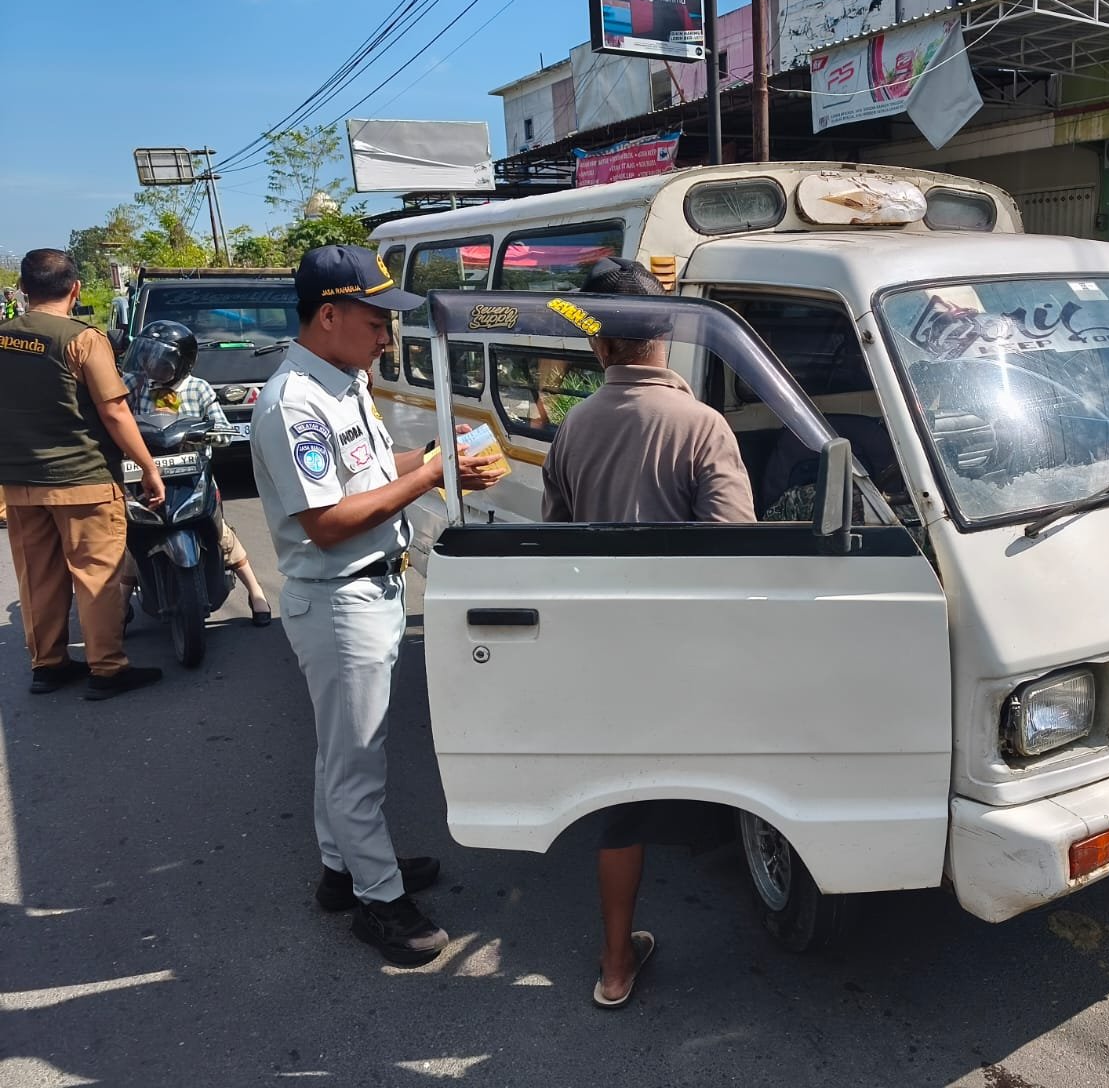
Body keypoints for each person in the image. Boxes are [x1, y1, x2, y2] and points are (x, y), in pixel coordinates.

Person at [250, 245, 505, 968]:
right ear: (328, 316)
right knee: (357, 759)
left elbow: (365, 468)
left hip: (371, 585)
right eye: (375, 323)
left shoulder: (341, 380)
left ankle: (345, 872)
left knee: (346, 749)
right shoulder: (295, 401)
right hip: (338, 596)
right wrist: (428, 479)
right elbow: (327, 519)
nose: (385, 339)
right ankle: (381, 902)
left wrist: (433, 458)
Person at [541, 257, 755, 1008]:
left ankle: (614, 964)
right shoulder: (703, 426)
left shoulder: (573, 428)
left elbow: (555, 544)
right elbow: (736, 546)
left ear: (599, 347)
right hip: (694, 652)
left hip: (609, 656)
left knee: (621, 809)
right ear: (666, 332)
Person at [0, 249, 166, 700]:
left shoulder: (3, 336)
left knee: (38, 577)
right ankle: (107, 669)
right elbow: (114, 412)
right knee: (96, 576)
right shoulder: (83, 339)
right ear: (74, 289)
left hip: (19, 484)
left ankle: (48, 665)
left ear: (22, 290)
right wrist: (148, 467)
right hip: (83, 478)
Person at [120, 320, 273, 625]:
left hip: (191, 475)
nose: (153, 364)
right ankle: (119, 608)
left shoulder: (198, 388)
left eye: (161, 358)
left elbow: (223, 429)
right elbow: (117, 419)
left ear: (181, 362)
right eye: (148, 356)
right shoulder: (135, 387)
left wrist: (213, 435)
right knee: (131, 543)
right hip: (145, 475)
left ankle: (256, 593)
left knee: (221, 533)